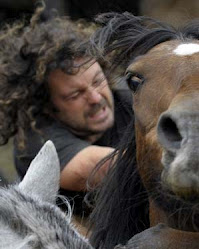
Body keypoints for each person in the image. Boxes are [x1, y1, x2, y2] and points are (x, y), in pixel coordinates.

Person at [0, 6, 133, 215]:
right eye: (75, 95)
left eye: (98, 81)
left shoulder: (129, 97)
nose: (96, 98)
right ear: (48, 108)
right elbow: (98, 169)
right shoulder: (36, 140)